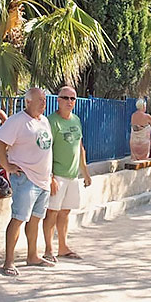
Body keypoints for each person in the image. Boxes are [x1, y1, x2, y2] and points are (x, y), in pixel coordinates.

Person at [0, 88, 53, 276]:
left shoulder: (44, 121)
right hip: (25, 177)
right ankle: (9, 261)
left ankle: (32, 255)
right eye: (39, 100)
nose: (43, 103)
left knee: (36, 218)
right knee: (19, 218)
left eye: (44, 100)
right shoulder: (17, 121)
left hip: (43, 179)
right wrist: (7, 165)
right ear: (28, 102)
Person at [42, 87, 92, 262]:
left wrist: (85, 172)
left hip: (72, 175)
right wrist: (50, 177)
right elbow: (45, 151)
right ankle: (48, 249)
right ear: (58, 100)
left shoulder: (76, 120)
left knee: (65, 212)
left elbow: (79, 146)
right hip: (57, 175)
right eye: (65, 98)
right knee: (52, 213)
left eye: (73, 98)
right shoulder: (51, 122)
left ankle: (63, 247)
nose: (69, 102)